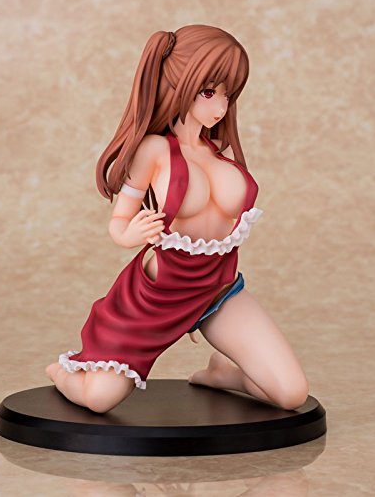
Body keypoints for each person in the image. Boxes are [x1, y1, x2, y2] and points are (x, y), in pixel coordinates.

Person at [45, 24, 309, 414]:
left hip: (218, 290)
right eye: (209, 92)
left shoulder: (219, 149)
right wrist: (130, 232)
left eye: (228, 94)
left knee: (292, 394)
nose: (221, 106)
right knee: (98, 399)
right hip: (157, 297)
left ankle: (222, 374)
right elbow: (119, 222)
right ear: (179, 84)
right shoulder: (153, 150)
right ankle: (60, 373)